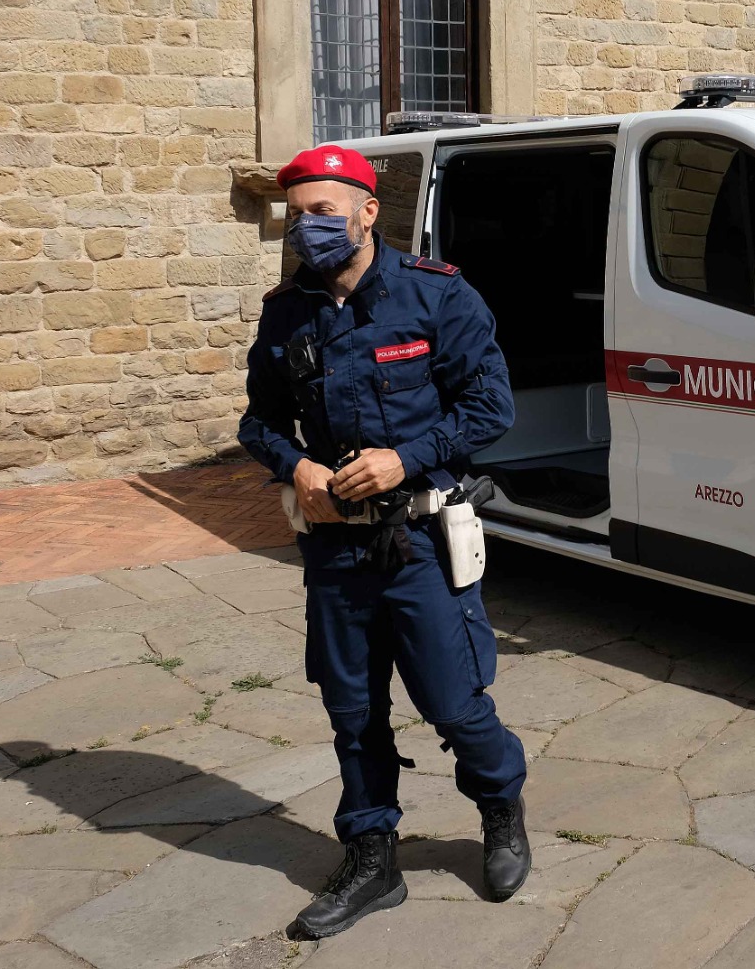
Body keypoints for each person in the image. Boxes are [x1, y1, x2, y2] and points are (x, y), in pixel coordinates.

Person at [238, 145, 527, 939]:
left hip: (421, 543)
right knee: (352, 709)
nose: (309, 228)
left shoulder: (437, 296)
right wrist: (296, 468)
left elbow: (491, 406)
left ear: (368, 211)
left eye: (324, 212)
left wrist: (406, 455)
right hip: (334, 549)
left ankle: (500, 807)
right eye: (297, 215)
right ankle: (372, 858)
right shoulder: (286, 310)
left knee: (455, 703)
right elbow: (257, 422)